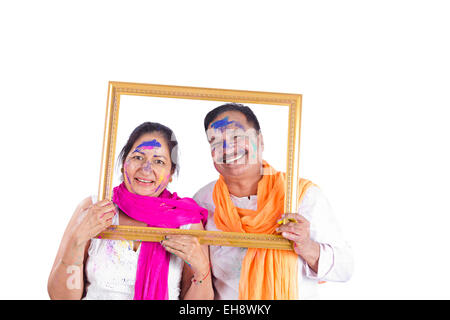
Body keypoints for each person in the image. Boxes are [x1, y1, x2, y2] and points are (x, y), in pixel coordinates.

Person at [193, 103, 354, 300]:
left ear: (260, 141)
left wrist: (306, 246)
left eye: (237, 137)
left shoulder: (301, 196)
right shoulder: (202, 202)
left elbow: (345, 268)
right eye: (216, 143)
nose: (228, 149)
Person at [48, 122, 213, 300]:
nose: (146, 168)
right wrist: (76, 241)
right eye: (138, 157)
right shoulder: (94, 209)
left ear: (171, 172)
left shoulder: (187, 222)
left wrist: (202, 269)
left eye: (159, 161)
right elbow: (60, 297)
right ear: (123, 163)